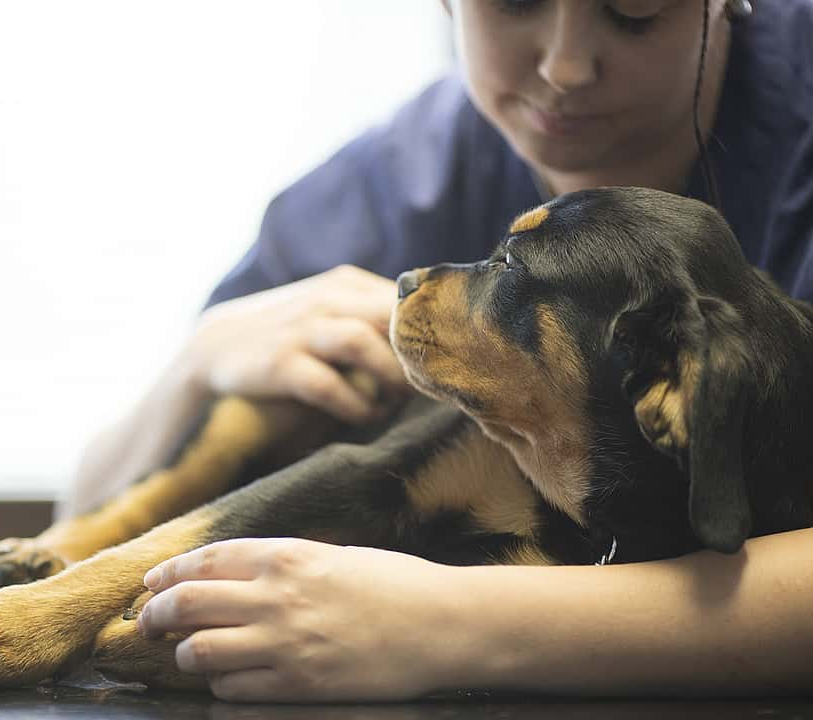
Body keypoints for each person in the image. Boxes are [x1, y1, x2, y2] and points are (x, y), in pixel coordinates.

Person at [64, 0, 813, 702]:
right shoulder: (402, 180)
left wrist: (454, 624)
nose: (567, 66)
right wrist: (197, 364)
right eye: (515, 2)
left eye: (636, 10)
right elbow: (80, 516)